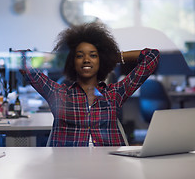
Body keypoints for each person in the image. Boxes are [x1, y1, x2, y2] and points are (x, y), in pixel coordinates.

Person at [20, 22, 160, 147]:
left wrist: (113, 56)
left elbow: (152, 56)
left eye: (93, 55)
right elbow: (23, 61)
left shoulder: (114, 93)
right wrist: (59, 57)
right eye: (80, 56)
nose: (86, 60)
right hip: (68, 167)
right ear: (72, 61)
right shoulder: (58, 93)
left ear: (101, 61)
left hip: (110, 165)